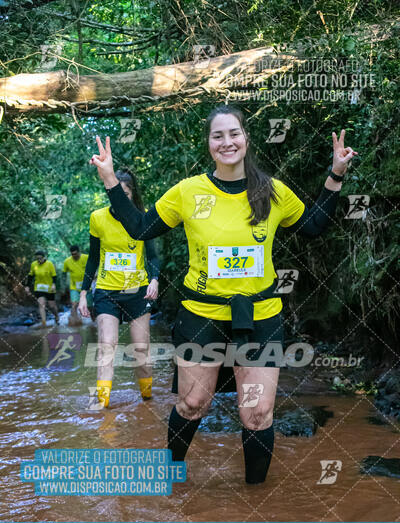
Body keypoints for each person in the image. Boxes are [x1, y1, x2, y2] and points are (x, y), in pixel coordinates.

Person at [89, 105, 357, 484]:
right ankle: (171, 477)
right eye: (218, 135)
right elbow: (139, 228)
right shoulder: (187, 192)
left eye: (234, 133)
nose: (227, 142)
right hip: (202, 317)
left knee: (257, 415)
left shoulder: (273, 191)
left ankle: (255, 499)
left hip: (260, 318)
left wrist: (336, 173)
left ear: (246, 139)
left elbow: (313, 225)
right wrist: (110, 179)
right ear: (209, 144)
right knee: (193, 403)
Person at [78, 167, 160, 407]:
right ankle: (102, 410)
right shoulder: (97, 218)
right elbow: (93, 258)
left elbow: (153, 257)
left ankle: (148, 401)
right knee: (106, 347)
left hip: (138, 292)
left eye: (126, 193)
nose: (121, 197)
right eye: (116, 192)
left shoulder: (142, 218)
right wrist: (84, 294)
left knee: (141, 353)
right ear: (108, 191)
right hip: (106, 292)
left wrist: (154, 279)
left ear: (132, 194)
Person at [25, 250, 59, 327]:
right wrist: (27, 286)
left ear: (44, 257)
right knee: (41, 304)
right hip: (39, 288)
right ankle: (44, 323)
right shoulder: (33, 264)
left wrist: (53, 284)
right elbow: (30, 276)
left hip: (49, 288)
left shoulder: (49, 264)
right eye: (37, 259)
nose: (39, 260)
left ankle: (56, 316)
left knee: (52, 306)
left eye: (40, 258)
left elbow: (54, 275)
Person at [62, 245, 94, 325]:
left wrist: (95, 274)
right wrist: (63, 285)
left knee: (90, 306)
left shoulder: (86, 257)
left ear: (79, 252)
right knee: (74, 304)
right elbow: (64, 273)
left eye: (76, 254)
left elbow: (94, 265)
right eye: (72, 254)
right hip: (74, 287)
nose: (74, 256)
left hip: (87, 286)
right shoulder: (67, 261)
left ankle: (94, 322)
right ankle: (76, 323)